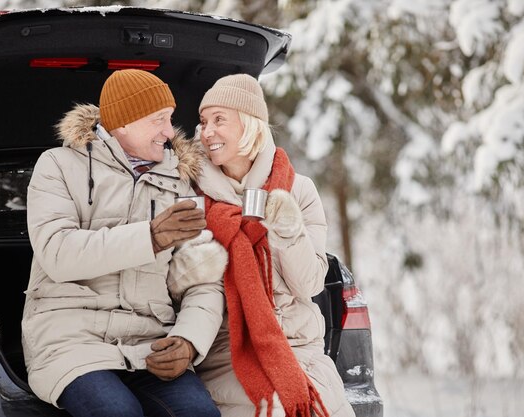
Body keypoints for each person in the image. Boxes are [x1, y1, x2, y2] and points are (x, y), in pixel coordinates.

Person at [22, 69, 228, 417]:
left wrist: (190, 341)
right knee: (115, 412)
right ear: (123, 122)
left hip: (150, 343)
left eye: (170, 118)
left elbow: (202, 278)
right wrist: (149, 237)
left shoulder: (177, 182)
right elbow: (57, 253)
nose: (169, 131)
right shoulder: (57, 165)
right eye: (158, 119)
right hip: (71, 340)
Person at [194, 73, 356, 417]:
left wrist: (287, 230)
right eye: (203, 121)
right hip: (229, 353)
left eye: (219, 120)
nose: (207, 132)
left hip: (302, 349)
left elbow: (310, 284)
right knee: (278, 407)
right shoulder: (193, 195)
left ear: (250, 125)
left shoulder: (298, 190)